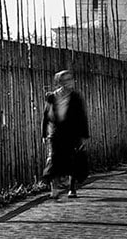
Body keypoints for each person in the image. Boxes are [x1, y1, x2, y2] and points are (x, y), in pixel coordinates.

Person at [41, 70, 90, 199]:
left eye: (70, 79)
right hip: (56, 133)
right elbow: (46, 116)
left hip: (72, 133)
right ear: (59, 82)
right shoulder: (51, 97)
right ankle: (54, 189)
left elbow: (82, 117)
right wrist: (44, 134)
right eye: (65, 80)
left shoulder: (76, 97)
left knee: (73, 160)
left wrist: (84, 136)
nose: (69, 82)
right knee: (53, 160)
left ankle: (72, 188)